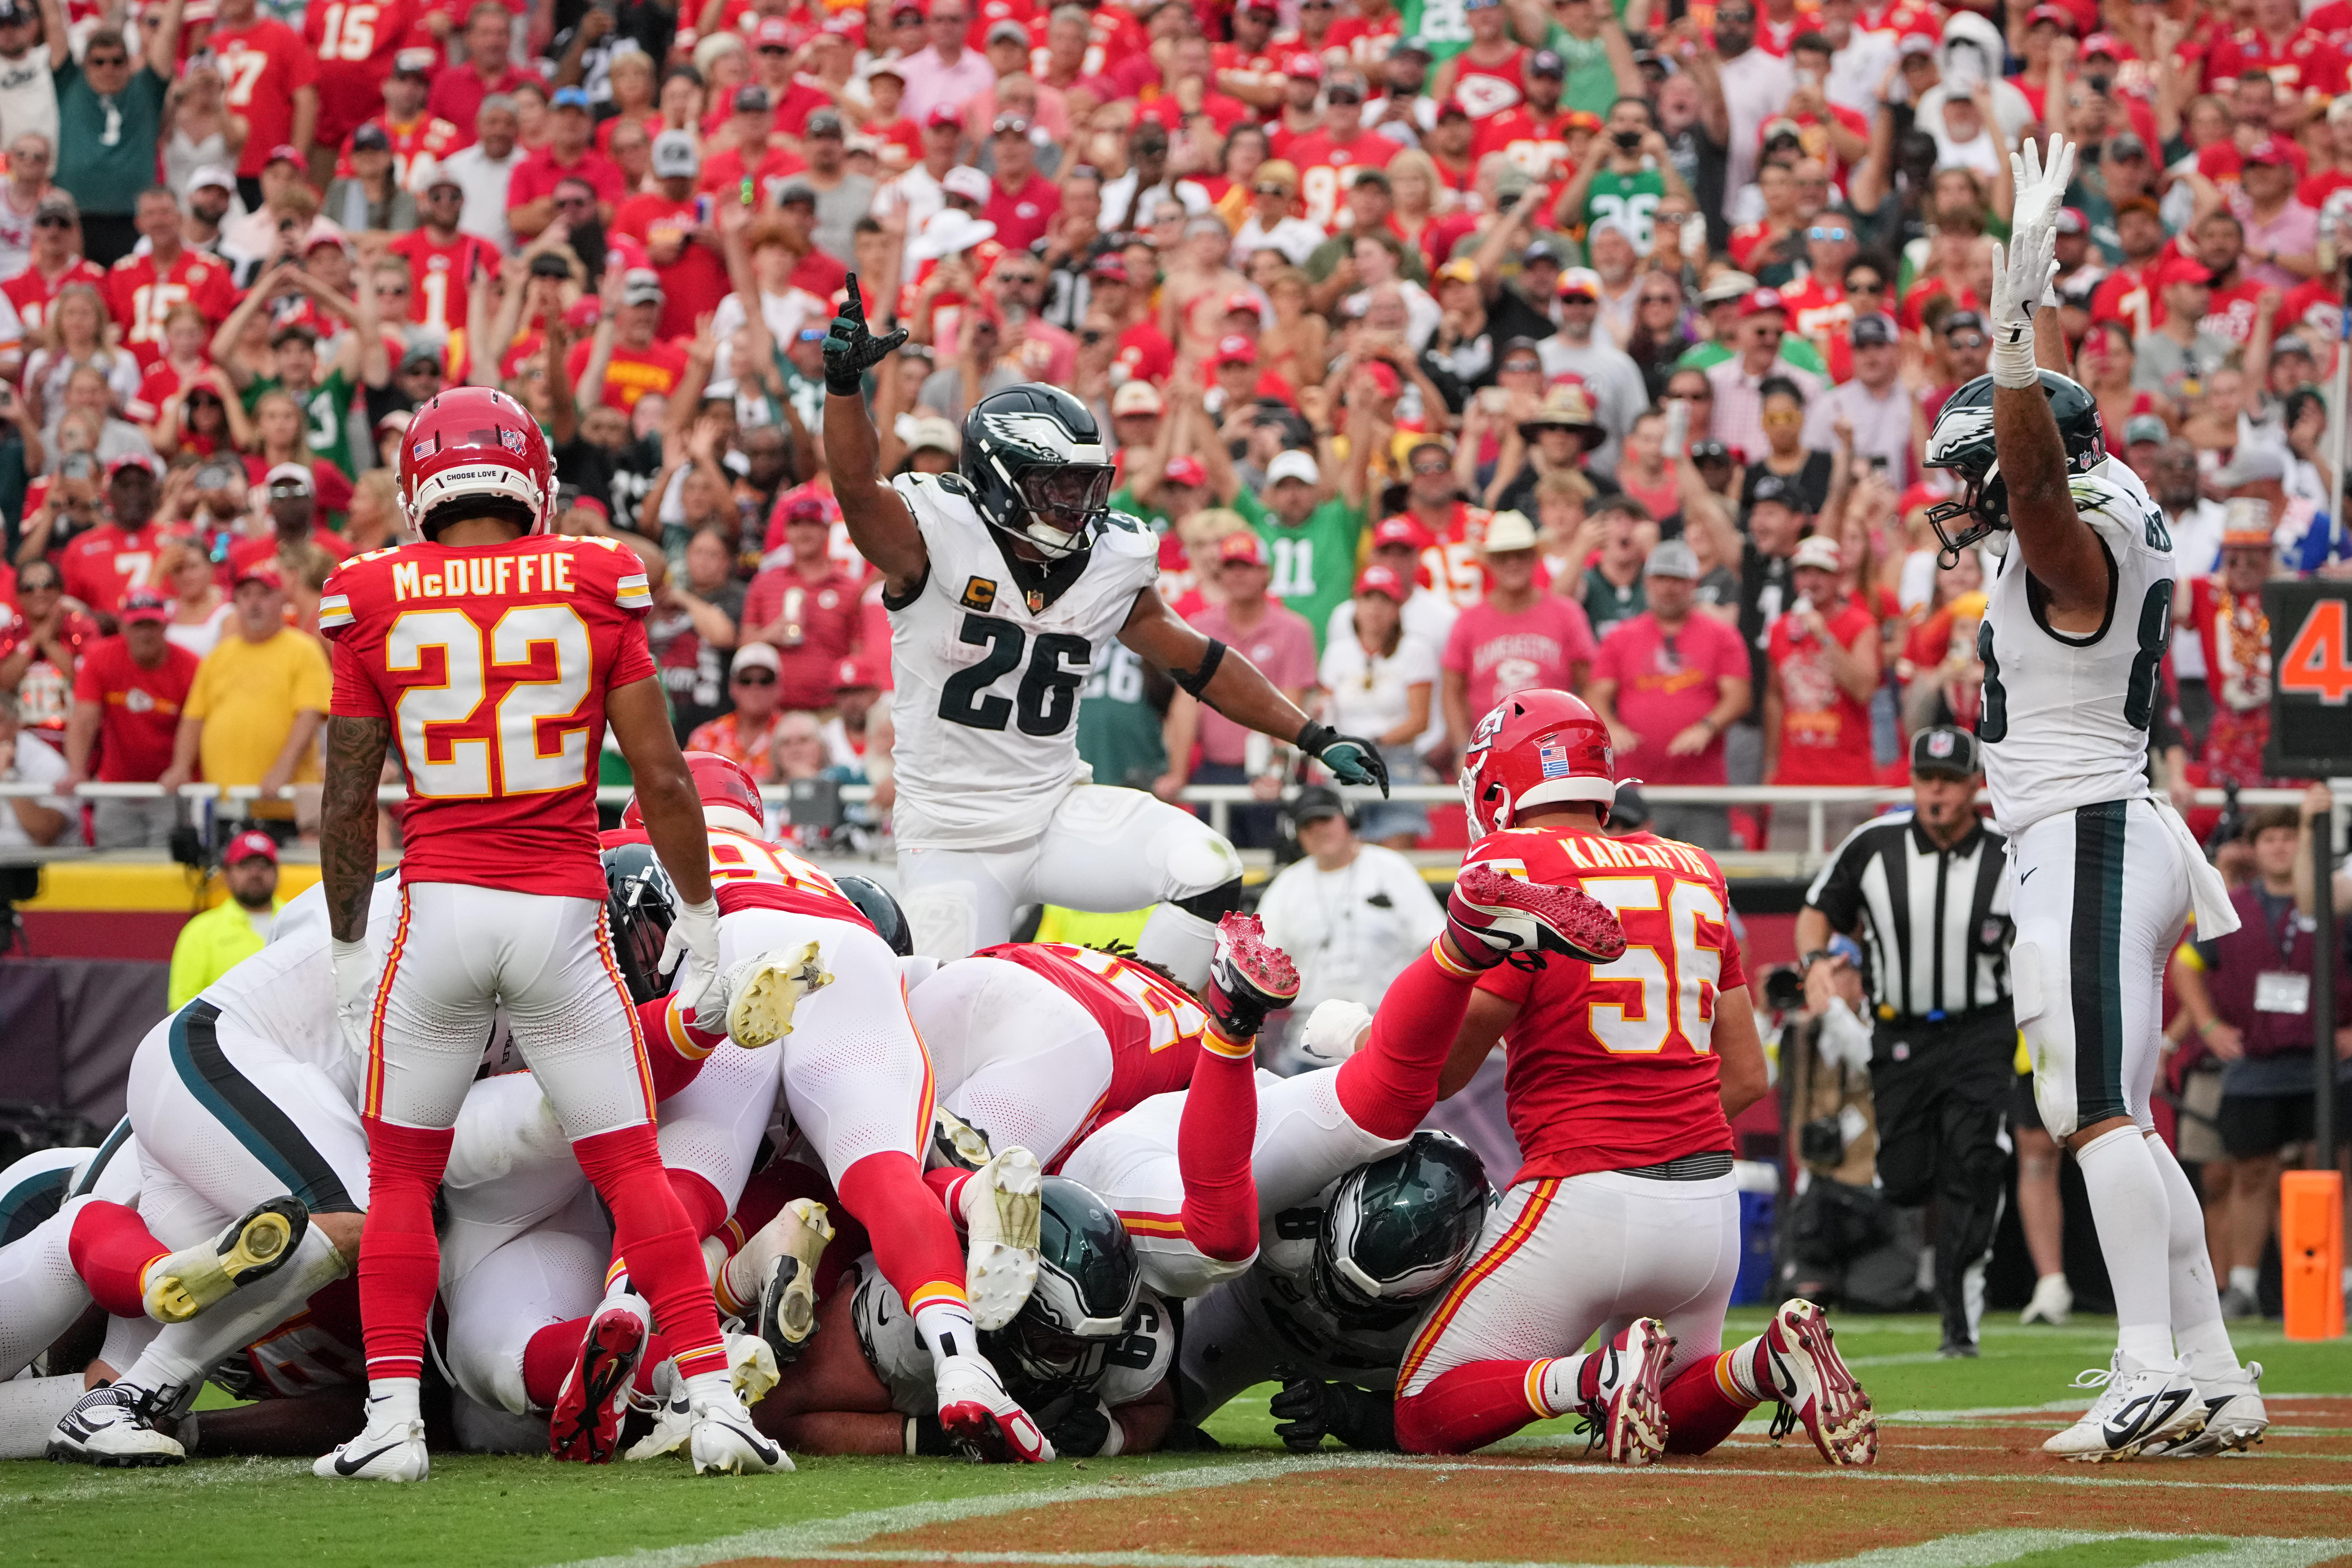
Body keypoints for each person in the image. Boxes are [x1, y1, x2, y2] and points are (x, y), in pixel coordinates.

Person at [308, 386, 788, 1482]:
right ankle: (713, 1399)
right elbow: (662, 776)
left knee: (398, 1177)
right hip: (560, 909)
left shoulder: (367, 595)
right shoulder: (595, 575)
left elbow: (347, 798)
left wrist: (347, 946)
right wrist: (704, 920)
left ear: (420, 481)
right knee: (629, 1168)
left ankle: (392, 1421)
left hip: (437, 910)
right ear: (531, 473)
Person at [1935, 131, 2264, 1461]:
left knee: (2091, 1113)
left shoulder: (2079, 533)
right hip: (2105, 831)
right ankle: (2210, 1369)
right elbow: (2041, 468)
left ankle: (2141, 1364)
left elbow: (2028, 481)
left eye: (1970, 475)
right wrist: (2023, 361)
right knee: (2116, 1120)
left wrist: (2009, 351)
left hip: (2084, 833)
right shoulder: (2110, 494)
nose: (1959, 501)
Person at [821, 286, 1388, 987]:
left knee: (1208, 871)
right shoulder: (936, 535)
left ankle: (1141, 1015)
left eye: (1089, 485)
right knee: (948, 1018)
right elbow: (855, 485)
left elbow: (1199, 662)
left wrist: (1311, 734)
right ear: (1002, 483)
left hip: (1058, 807)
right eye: (1059, 487)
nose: (1079, 505)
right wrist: (844, 387)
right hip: (950, 836)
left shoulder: (1112, 559)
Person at [1391, 689, 1873, 1468]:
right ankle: (1766, 1359)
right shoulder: (1694, 868)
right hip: (1705, 1204)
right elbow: (1747, 1073)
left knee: (1420, 1407)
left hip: (1582, 1191)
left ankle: (1591, 1375)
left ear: (1497, 783)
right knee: (1673, 1425)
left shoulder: (1514, 864)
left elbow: (1442, 1070)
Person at [1796, 727, 2016, 1357]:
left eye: (1948, 780)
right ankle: (1941, 1269)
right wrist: (1815, 959)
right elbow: (1817, 908)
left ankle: (1959, 1308)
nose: (1935, 793)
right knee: (1904, 1177)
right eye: (1925, 779)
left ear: (1975, 784)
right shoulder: (1874, 844)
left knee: (1972, 1165)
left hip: (1981, 1028)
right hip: (1899, 1032)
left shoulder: (2010, 849)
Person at [2170, 801, 2352, 1322]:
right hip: (2257, 1062)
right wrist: (2206, 1025)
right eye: (2268, 838)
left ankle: (2342, 1281)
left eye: (2288, 837)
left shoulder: (2333, 901)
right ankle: (2243, 1285)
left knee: (2334, 1172)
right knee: (2250, 1175)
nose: (2279, 847)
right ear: (2253, 849)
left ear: (2305, 845)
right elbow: (2185, 965)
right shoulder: (2231, 906)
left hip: (2324, 1062)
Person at [1583, 540, 1751, 850]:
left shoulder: (1720, 636)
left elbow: (1738, 696)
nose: (1668, 588)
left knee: (1703, 877)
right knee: (1632, 879)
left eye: (1678, 580)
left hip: (1701, 791)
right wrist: (1611, 726)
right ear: (1647, 582)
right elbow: (1596, 693)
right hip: (1635, 794)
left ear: (1693, 584)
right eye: (1661, 578)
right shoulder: (1621, 637)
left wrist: (1707, 726)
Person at [156, 561, 328, 833]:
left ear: (282, 601)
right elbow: (194, 719)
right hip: (225, 806)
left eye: (264, 595)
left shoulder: (303, 650)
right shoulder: (218, 656)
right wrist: (181, 767)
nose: (254, 604)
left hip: (282, 805)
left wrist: (282, 769)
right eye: (247, 596)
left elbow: (309, 715)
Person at [1257, 784, 1447, 1025]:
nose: (1318, 830)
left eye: (1325, 819)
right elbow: (1260, 963)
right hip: (1309, 1041)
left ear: (1349, 819)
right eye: (1307, 825)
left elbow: (1433, 944)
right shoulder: (1286, 886)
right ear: (1297, 836)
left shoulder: (1392, 868)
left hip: (1389, 1031)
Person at [1185, 530, 1321, 851]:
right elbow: (1186, 702)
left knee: (1268, 863)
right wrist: (1178, 772)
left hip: (1267, 771)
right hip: (1214, 767)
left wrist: (1277, 770)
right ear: (1220, 575)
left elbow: (1290, 708)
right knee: (1209, 868)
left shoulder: (1293, 630)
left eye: (1247, 566)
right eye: (1231, 567)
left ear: (1266, 573)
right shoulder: (1200, 627)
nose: (1238, 575)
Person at [1439, 509, 1597, 755]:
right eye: (1503, 557)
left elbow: (1590, 683)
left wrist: (1583, 740)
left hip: (1556, 749)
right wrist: (1462, 749)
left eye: (1521, 555)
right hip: (1490, 752)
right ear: (1490, 562)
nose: (1513, 563)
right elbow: (1452, 692)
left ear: (1535, 558)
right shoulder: (1468, 621)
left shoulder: (1567, 614)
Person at [42, 0, 183, 267]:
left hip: (135, 218)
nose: (109, 69)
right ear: (85, 63)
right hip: (75, 218)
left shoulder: (147, 88)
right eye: (99, 62)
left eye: (118, 62)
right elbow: (52, 20)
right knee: (78, 295)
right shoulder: (70, 82)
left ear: (130, 63)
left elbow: (169, 33)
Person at [61, 589, 196, 849]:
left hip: (166, 787)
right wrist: (77, 770)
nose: (145, 633)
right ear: (123, 626)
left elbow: (193, 724)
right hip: (116, 783)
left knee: (166, 867)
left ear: (166, 625)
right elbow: (84, 720)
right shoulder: (101, 658)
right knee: (114, 867)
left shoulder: (189, 665)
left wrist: (182, 768)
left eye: (152, 624)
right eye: (137, 625)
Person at [1314, 564, 1437, 847]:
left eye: (1385, 600)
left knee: (1397, 851)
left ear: (1398, 609)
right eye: (1368, 598)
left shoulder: (1415, 650)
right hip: (1346, 764)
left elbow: (1420, 721)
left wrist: (1371, 742)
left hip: (1396, 763)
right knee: (1348, 851)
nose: (1375, 608)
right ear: (1355, 605)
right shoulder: (1338, 653)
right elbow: (1327, 708)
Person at [163, 828, 282, 1007]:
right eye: (245, 865)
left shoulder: (304, 922)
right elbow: (182, 1005)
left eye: (264, 865)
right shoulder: (200, 931)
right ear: (227, 875)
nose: (256, 873)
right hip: (224, 1034)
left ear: (278, 873)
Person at [0, 685, 67, 848]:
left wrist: (7, 778)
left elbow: (46, 833)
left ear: (16, 725)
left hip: (30, 862)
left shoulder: (48, 762)